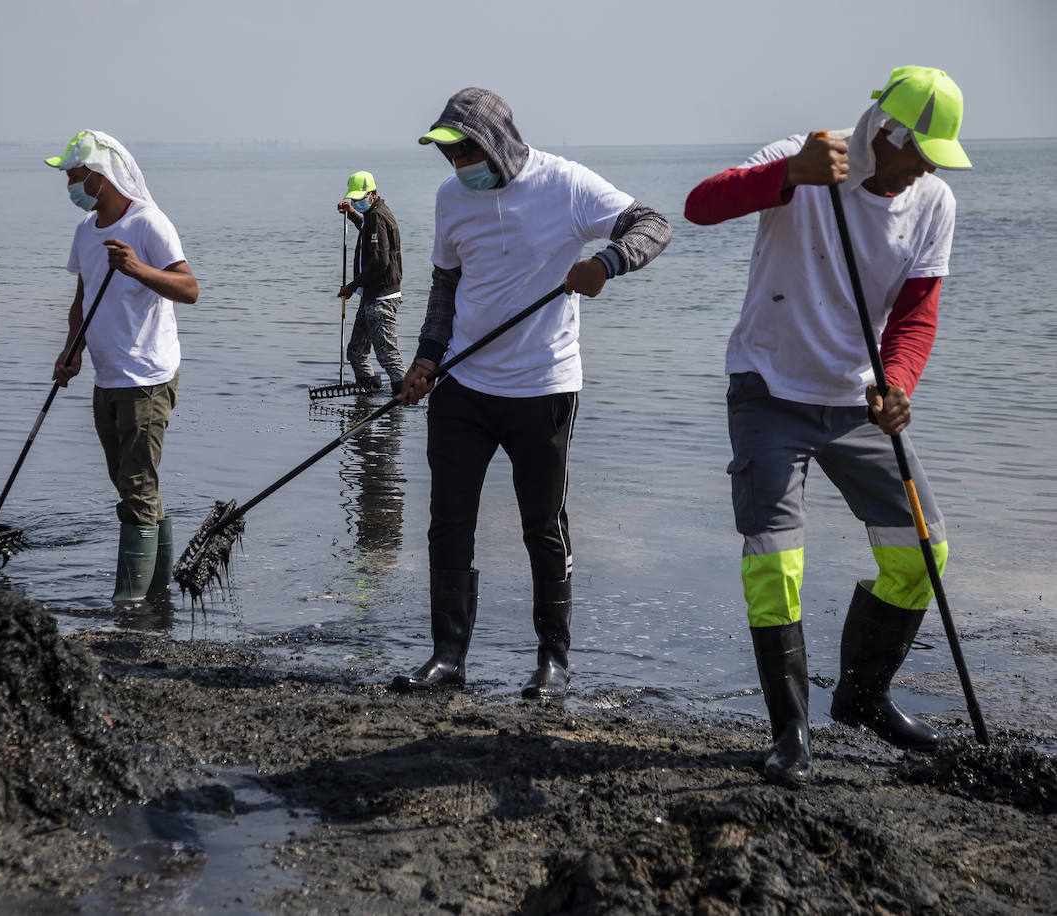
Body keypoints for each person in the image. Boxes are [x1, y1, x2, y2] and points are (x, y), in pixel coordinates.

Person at [684, 66, 971, 784]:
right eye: (921, 150)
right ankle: (791, 735)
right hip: (769, 391)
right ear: (886, 132)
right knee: (775, 563)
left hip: (858, 402)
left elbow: (915, 315)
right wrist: (789, 175)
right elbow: (699, 205)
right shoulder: (805, 155)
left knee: (923, 552)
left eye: (938, 156)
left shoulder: (933, 201)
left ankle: (862, 697)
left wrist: (899, 383)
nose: (928, 167)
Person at [392, 88, 672, 699]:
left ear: (496, 141)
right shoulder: (451, 199)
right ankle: (447, 657)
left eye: (464, 150)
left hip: (542, 387)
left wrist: (608, 264)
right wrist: (427, 358)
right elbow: (445, 287)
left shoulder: (565, 185)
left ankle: (553, 660)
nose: (455, 164)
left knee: (541, 525)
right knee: (449, 521)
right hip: (462, 386)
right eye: (447, 154)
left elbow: (654, 223)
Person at [45, 130, 198, 602]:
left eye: (74, 174)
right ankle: (158, 593)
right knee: (133, 484)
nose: (69, 183)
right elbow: (83, 298)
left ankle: (128, 604)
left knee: (135, 486)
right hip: (106, 376)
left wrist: (137, 269)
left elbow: (189, 288)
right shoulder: (85, 231)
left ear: (101, 177)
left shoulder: (148, 223)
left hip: (148, 378)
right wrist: (72, 349)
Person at [335, 171, 406, 393]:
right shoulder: (372, 215)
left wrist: (352, 285)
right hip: (371, 296)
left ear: (373, 194)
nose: (357, 202)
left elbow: (379, 262)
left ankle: (401, 403)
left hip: (382, 298)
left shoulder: (378, 216)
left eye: (360, 198)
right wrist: (353, 214)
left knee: (388, 356)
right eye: (354, 199)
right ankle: (367, 397)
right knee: (356, 351)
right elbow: (367, 231)